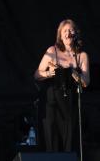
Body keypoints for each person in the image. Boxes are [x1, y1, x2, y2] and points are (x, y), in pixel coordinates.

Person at [34, 19, 90, 152]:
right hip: (51, 101)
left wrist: (73, 73)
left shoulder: (81, 56)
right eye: (65, 31)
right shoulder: (52, 51)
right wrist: (49, 73)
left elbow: (86, 82)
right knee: (52, 139)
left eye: (70, 30)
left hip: (70, 102)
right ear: (60, 35)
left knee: (69, 139)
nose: (68, 33)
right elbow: (36, 75)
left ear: (75, 33)